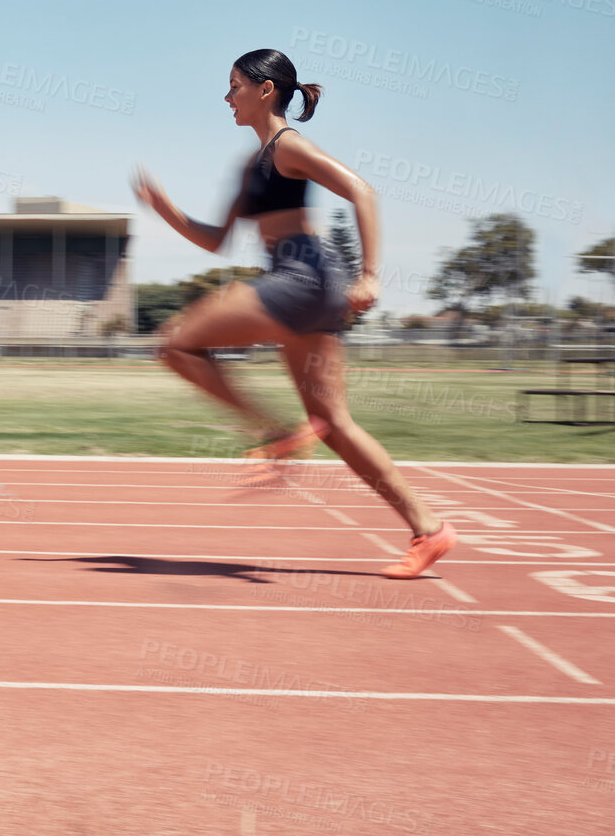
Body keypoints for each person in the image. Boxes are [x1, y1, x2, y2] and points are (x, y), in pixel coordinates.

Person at [131, 48, 456, 580]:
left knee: (174, 344)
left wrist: (371, 274)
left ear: (265, 91)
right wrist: (165, 208)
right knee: (334, 425)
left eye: (234, 85)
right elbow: (215, 240)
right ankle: (430, 529)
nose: (227, 96)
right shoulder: (252, 163)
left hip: (303, 278)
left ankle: (274, 435)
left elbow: (362, 191)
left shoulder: (288, 147)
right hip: (304, 284)